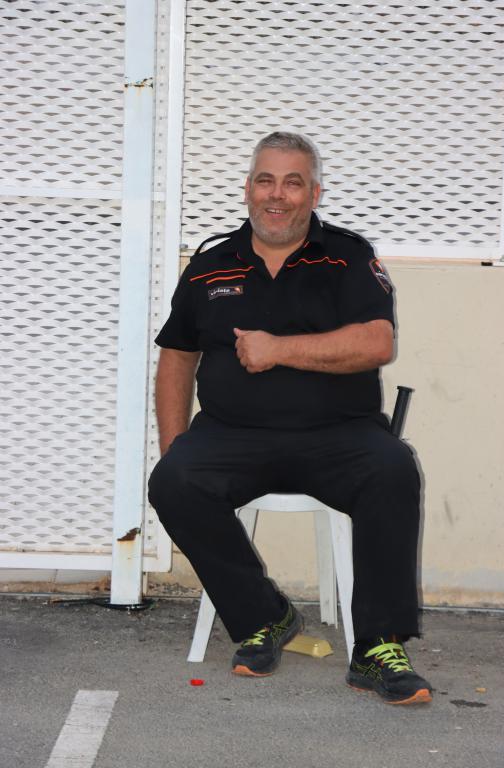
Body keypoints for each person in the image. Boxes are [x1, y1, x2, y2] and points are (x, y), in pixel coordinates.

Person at [148, 132, 432, 705]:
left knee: (394, 469)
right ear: (248, 189)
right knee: (173, 480)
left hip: (339, 435)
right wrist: (174, 442)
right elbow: (177, 355)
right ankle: (265, 616)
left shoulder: (348, 257)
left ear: (314, 194)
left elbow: (377, 343)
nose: (277, 195)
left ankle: (378, 646)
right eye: (266, 180)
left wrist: (278, 349)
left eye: (292, 182)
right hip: (232, 435)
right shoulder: (208, 266)